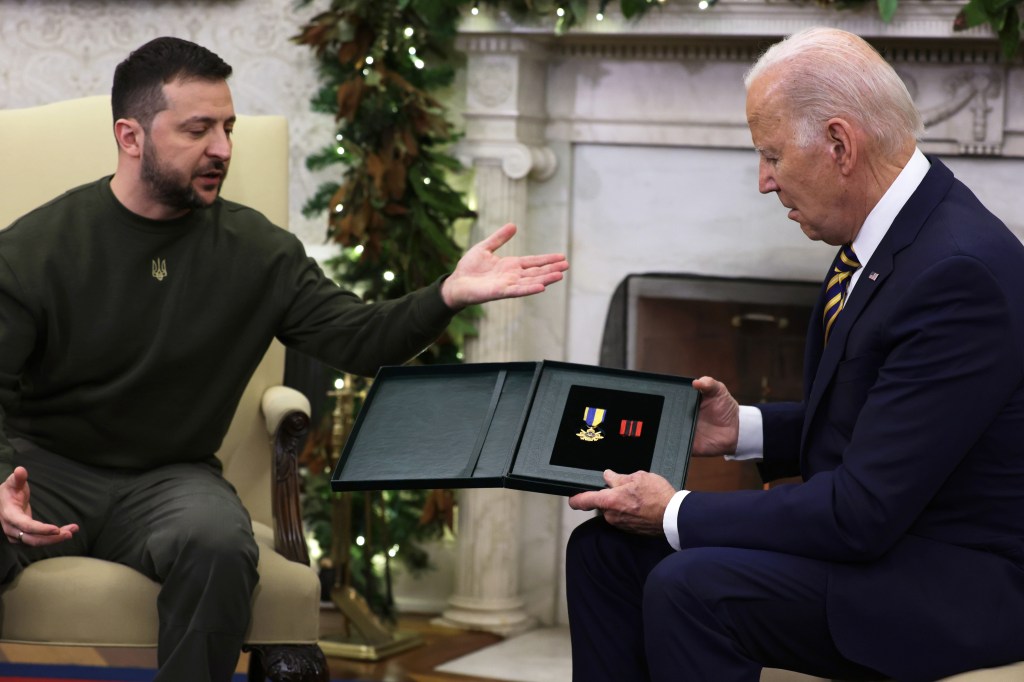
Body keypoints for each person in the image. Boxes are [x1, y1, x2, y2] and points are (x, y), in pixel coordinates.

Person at [0, 36, 568, 681]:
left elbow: (360, 338)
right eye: (198, 129)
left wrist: (446, 295)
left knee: (217, 545)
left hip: (168, 478)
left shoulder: (258, 251)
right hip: (41, 470)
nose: (222, 148)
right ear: (131, 137)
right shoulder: (36, 248)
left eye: (228, 127)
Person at [566, 26, 1024, 682]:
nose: (763, 181)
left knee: (693, 585)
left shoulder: (958, 275)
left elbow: (861, 510)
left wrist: (674, 510)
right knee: (604, 551)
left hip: (955, 580)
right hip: (888, 539)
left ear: (840, 144)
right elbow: (881, 428)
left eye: (772, 155)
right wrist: (742, 430)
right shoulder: (885, 239)